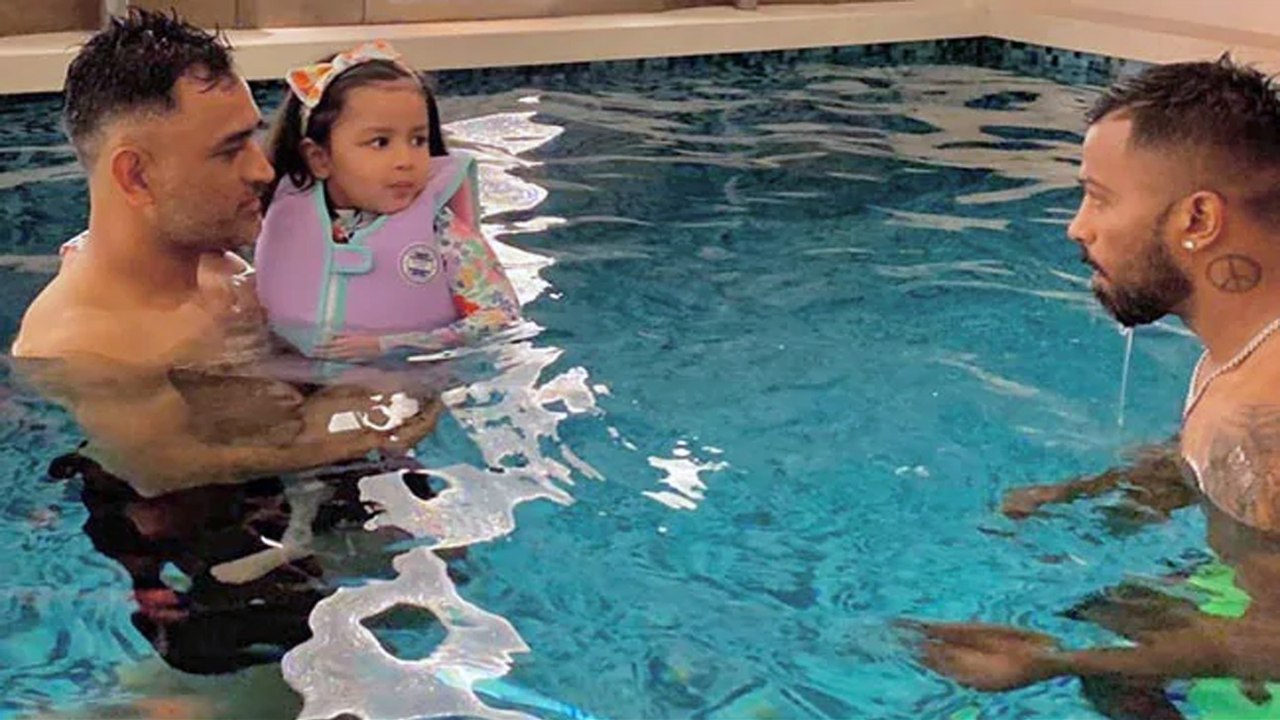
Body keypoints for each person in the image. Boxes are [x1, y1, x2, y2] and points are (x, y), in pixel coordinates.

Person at [916, 56, 1280, 714]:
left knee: (1106, 658)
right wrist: (1096, 491)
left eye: (1100, 197)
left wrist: (1054, 661)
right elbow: (1226, 470)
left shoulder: (1262, 417)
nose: (1076, 227)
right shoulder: (1249, 352)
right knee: (1114, 608)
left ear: (1198, 221)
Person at [9, 9, 443, 499]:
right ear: (136, 177)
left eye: (252, 137)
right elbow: (164, 469)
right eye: (229, 150)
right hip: (200, 528)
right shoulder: (85, 346)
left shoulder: (223, 267)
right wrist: (357, 431)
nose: (262, 170)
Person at [255, 40, 521, 362]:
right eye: (380, 142)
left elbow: (499, 318)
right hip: (294, 373)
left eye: (418, 140)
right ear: (320, 158)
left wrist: (394, 344)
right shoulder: (279, 216)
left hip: (398, 382)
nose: (405, 160)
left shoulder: (445, 235)